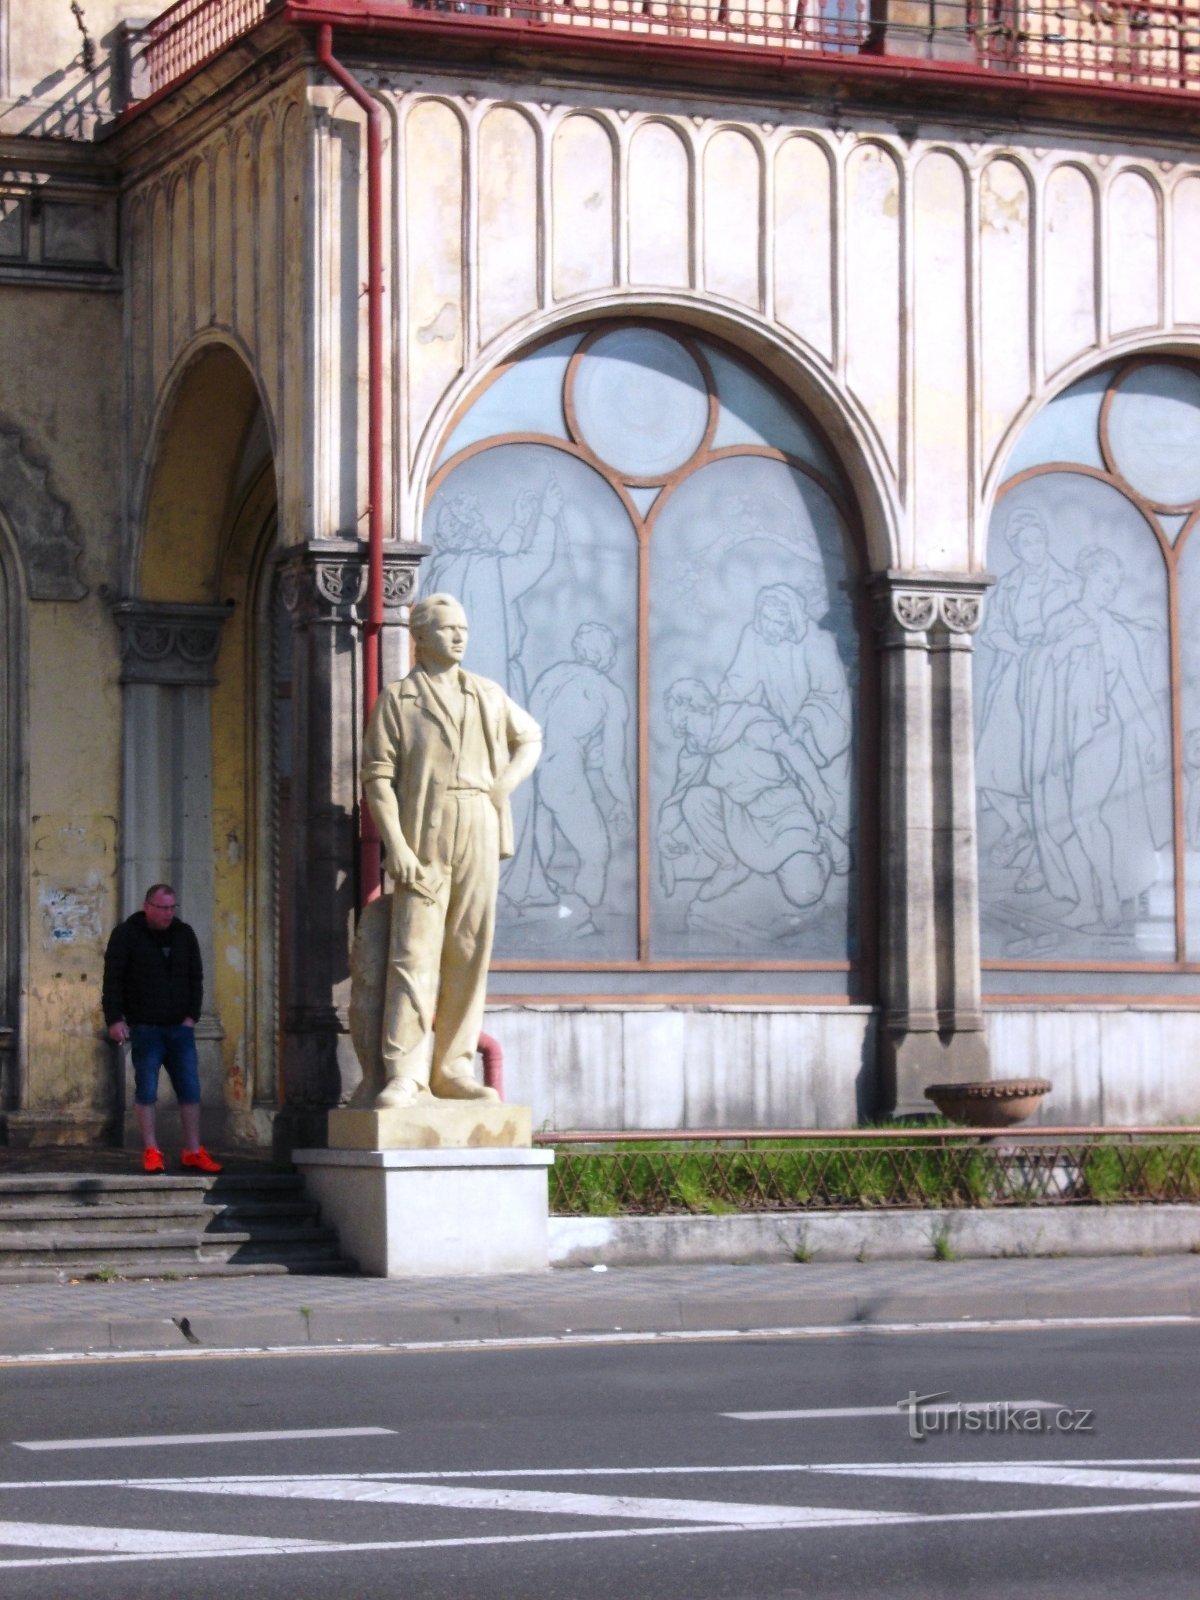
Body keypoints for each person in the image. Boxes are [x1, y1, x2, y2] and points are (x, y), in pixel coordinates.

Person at [360, 594, 542, 1108]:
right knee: (413, 951)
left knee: (469, 950)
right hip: (424, 830)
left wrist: (503, 785)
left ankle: (453, 1068)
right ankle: (405, 1072)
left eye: (462, 627)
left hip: (479, 821)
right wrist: (395, 845)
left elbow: (530, 738)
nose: (459, 636)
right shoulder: (399, 699)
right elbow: (377, 778)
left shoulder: (486, 692)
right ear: (418, 637)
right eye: (446, 629)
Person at [658, 678, 834, 912]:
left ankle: (825, 845)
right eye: (682, 730)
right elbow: (678, 796)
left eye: (687, 724)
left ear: (699, 708)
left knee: (805, 893)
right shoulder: (696, 749)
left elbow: (791, 749)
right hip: (741, 818)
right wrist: (664, 832)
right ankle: (730, 864)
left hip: (782, 812)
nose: (687, 735)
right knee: (694, 799)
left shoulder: (746, 722)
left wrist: (819, 792)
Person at [102, 884, 221, 1174]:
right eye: (162, 907)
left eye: (172, 907)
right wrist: (115, 1019)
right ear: (148, 907)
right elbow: (113, 979)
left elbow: (197, 977)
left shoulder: (184, 934)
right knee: (147, 1091)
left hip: (180, 1028)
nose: (168, 913)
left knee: (190, 1091)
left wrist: (191, 1017)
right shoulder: (127, 935)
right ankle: (151, 1150)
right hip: (145, 1027)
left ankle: (193, 1151)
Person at [528, 622, 633, 934]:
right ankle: (575, 921)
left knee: (538, 852)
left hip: (529, 772)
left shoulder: (552, 675)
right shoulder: (608, 692)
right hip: (564, 775)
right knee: (595, 851)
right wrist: (625, 802)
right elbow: (613, 766)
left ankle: (544, 913)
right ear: (608, 655)